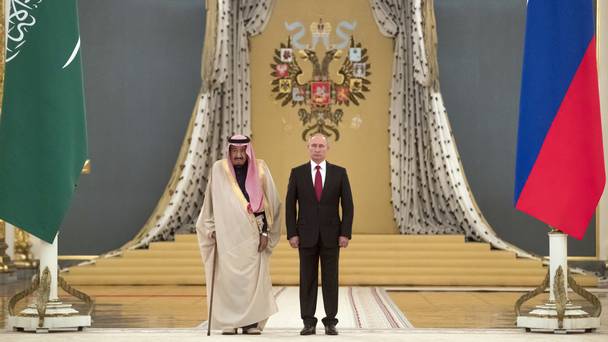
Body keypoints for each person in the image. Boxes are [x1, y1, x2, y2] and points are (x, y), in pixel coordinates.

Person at [196, 134, 281, 335]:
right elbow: (209, 203)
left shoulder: (260, 169)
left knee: (252, 282)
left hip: (253, 235)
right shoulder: (219, 170)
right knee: (229, 280)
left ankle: (251, 323)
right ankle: (229, 322)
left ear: (248, 151)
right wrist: (210, 228)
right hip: (227, 236)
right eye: (234, 151)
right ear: (229, 152)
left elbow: (272, 203)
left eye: (242, 151)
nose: (239, 155)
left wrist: (265, 232)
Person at [285, 133, 354, 336]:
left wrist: (345, 233)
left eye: (320, 146)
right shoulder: (297, 173)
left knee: (331, 279)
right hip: (305, 235)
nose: (317, 149)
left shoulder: (339, 173)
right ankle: (308, 321)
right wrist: (292, 233)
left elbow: (348, 206)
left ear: (327, 149)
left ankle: (331, 321)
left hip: (332, 235)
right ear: (308, 147)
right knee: (307, 279)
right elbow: (290, 206)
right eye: (313, 145)